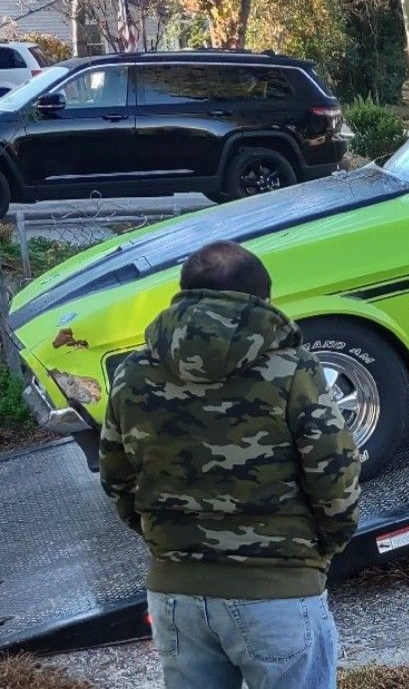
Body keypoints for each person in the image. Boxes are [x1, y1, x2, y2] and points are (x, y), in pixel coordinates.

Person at [99, 240, 361, 689]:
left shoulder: (132, 371)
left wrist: (168, 546)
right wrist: (320, 552)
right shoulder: (293, 370)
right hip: (276, 586)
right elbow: (335, 478)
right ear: (260, 298)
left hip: (175, 593)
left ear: (184, 294)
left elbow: (117, 479)